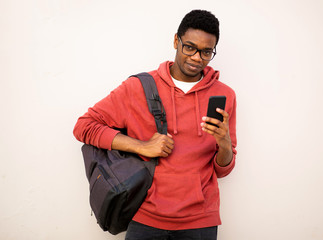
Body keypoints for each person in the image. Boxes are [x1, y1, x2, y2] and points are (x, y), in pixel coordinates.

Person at [73, 9, 237, 240]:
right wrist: (140, 146)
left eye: (206, 52)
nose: (197, 58)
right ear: (175, 41)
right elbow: (84, 126)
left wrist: (225, 143)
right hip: (146, 216)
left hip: (200, 220)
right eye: (189, 47)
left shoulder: (225, 95)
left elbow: (224, 169)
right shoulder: (138, 87)